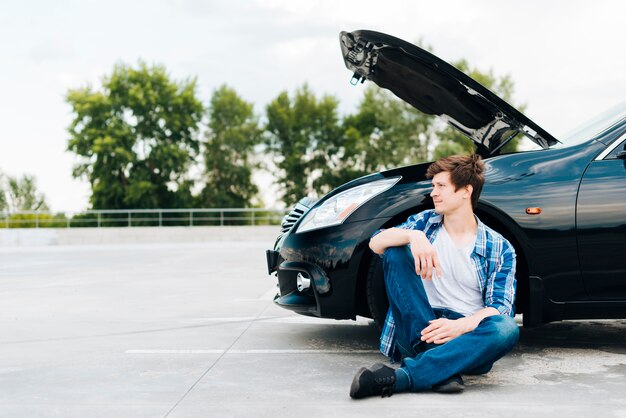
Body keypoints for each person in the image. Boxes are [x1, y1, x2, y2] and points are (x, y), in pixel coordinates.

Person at [350, 154, 519, 399]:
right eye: (433, 186)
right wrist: (413, 237)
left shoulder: (500, 247)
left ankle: (403, 377)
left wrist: (459, 326)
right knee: (395, 251)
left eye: (440, 186)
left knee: (506, 328)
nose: (433, 193)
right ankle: (440, 366)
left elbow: (500, 308)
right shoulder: (424, 223)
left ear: (465, 191)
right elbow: (376, 243)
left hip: (464, 336)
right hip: (419, 327)